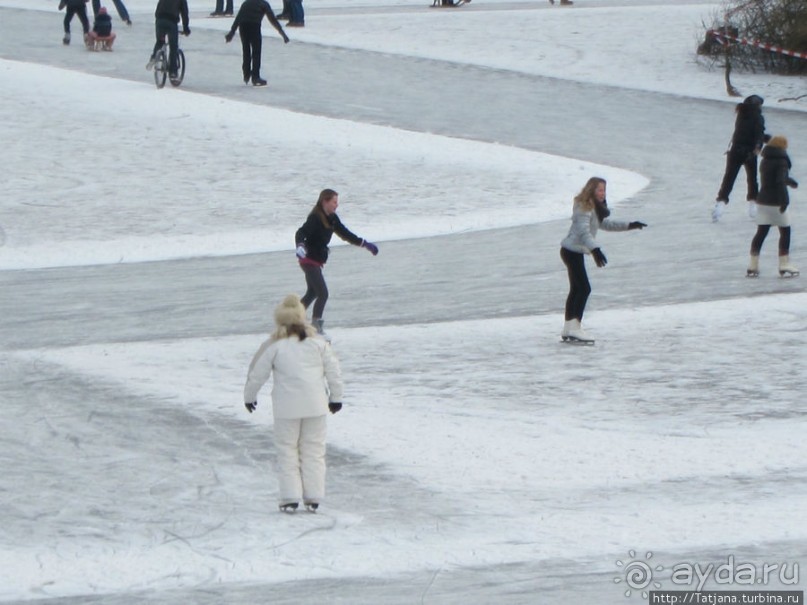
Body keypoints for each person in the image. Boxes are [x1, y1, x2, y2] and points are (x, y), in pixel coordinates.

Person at [243, 294, 344, 514]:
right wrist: (336, 397)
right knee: (314, 450)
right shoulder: (318, 343)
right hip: (315, 406)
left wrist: (249, 396)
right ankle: (314, 496)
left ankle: (290, 497)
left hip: (286, 408)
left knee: (288, 450)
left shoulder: (273, 345)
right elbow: (333, 371)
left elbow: (257, 373)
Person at [559, 177, 647, 343]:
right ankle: (575, 328)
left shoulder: (593, 208)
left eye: (604, 190)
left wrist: (630, 225)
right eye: (600, 190)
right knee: (584, 288)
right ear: (591, 190)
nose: (603, 193)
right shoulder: (583, 208)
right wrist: (595, 250)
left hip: (573, 251)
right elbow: (583, 232)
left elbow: (606, 224)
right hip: (571, 251)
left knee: (578, 289)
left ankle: (569, 327)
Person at [295, 189, 379, 336]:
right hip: (308, 259)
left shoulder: (332, 218)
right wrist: (300, 245)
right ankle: (316, 328)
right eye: (334, 202)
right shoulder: (315, 217)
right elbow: (301, 233)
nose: (336, 205)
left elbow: (345, 234)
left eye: (337, 202)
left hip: (316, 261)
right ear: (324, 202)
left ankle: (292, 321)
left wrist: (365, 244)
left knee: (313, 292)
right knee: (323, 293)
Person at [747, 135, 799, 278]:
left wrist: (790, 181)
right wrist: (784, 202)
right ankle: (784, 264)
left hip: (763, 201)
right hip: (776, 202)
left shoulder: (765, 160)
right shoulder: (782, 161)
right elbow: (779, 182)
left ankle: (753, 265)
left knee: (761, 232)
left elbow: (775, 179)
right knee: (785, 232)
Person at [713, 94, 769, 222]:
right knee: (752, 179)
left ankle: (720, 206)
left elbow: (745, 131)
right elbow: (758, 133)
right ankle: (753, 207)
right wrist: (758, 147)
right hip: (749, 152)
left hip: (734, 150)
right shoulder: (758, 117)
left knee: (729, 178)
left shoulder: (741, 115)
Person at [225, 0, 289, 87]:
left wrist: (232, 32)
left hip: (243, 27)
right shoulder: (263, 4)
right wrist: (282, 33)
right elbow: (272, 19)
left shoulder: (246, 3)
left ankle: (246, 74)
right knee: (256, 52)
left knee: (246, 49)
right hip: (254, 27)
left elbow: (238, 18)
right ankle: (255, 77)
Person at [146, 0, 190, 80]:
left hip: (160, 20)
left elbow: (158, 7)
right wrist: (186, 29)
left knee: (160, 41)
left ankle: (154, 57)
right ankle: (173, 72)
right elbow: (184, 14)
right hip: (171, 22)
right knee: (173, 47)